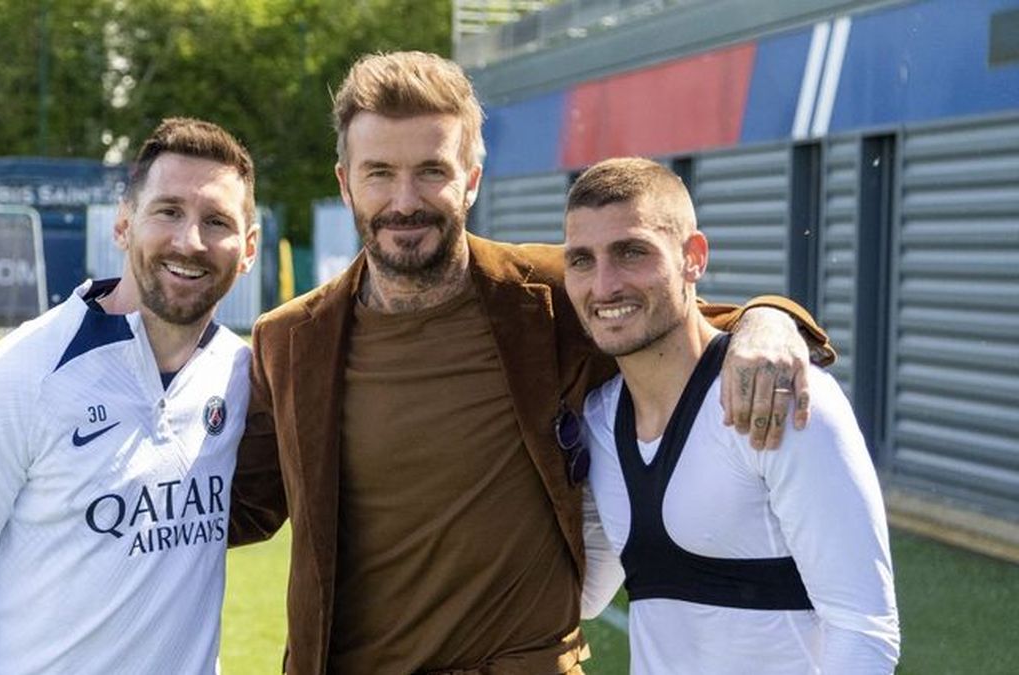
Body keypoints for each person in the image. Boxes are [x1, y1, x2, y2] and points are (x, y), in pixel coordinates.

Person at [228, 51, 833, 674]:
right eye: (379, 172)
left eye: (431, 170)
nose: (404, 201)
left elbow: (684, 319)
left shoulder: (547, 297)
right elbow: (232, 507)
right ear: (344, 181)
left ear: (471, 179)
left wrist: (770, 318)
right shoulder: (290, 341)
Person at [0, 117, 260, 674]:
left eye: (215, 221)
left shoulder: (243, 374)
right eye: (167, 211)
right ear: (124, 225)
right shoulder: (18, 375)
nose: (189, 241)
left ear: (247, 248)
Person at [566, 157, 900, 672]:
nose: (605, 285)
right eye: (582, 260)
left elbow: (865, 630)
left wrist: (770, 317)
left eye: (632, 252)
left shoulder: (781, 397)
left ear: (693, 257)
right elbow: (585, 596)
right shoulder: (599, 423)